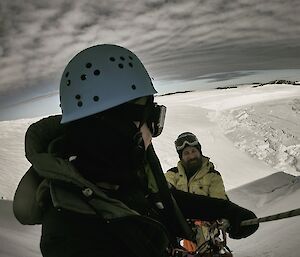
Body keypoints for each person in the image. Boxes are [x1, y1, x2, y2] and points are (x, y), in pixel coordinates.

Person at [13, 44, 259, 257]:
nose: (153, 131)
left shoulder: (113, 176)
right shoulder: (72, 235)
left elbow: (161, 201)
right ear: (116, 127)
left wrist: (225, 210)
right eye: (151, 118)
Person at [165, 132, 229, 253]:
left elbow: (219, 201)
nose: (191, 156)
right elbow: (164, 190)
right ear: (181, 157)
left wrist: (223, 218)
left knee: (203, 236)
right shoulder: (172, 174)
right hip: (178, 227)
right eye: (187, 153)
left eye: (193, 151)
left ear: (199, 152)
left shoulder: (212, 176)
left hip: (205, 229)